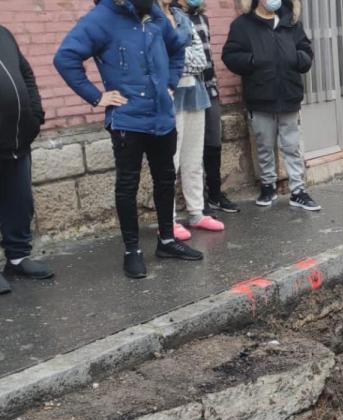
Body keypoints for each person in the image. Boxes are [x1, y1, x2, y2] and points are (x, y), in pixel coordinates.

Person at [55, 0, 203, 279]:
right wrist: (97, 97)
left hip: (162, 118)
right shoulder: (101, 18)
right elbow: (65, 57)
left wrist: (171, 84)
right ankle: (132, 250)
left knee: (165, 178)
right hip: (127, 121)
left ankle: (168, 241)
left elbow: (176, 49)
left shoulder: (155, 13)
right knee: (127, 184)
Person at [222, 0, 318, 211]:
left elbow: (306, 50)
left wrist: (297, 57)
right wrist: (254, 60)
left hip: (289, 95)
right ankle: (268, 186)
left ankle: (298, 191)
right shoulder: (242, 25)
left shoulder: (291, 22)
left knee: (292, 147)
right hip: (260, 96)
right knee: (264, 145)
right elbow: (230, 55)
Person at [162, 0, 223, 238]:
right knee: (170, 161)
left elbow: (201, 60)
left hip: (194, 94)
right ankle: (168, 220)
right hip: (169, 97)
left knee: (193, 158)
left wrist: (177, 56)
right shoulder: (151, 19)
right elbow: (158, 59)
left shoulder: (182, 17)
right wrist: (179, 57)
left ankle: (196, 212)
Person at [0, 25, 51, 295]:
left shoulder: (4, 34)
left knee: (20, 202)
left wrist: (35, 114)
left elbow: (26, 74)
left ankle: (17, 258)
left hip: (19, 139)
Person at [185, 0, 238, 214]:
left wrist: (214, 85)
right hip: (188, 90)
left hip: (209, 89)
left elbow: (208, 59)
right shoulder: (175, 19)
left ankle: (215, 194)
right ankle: (197, 202)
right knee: (192, 147)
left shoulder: (202, 18)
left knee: (214, 142)